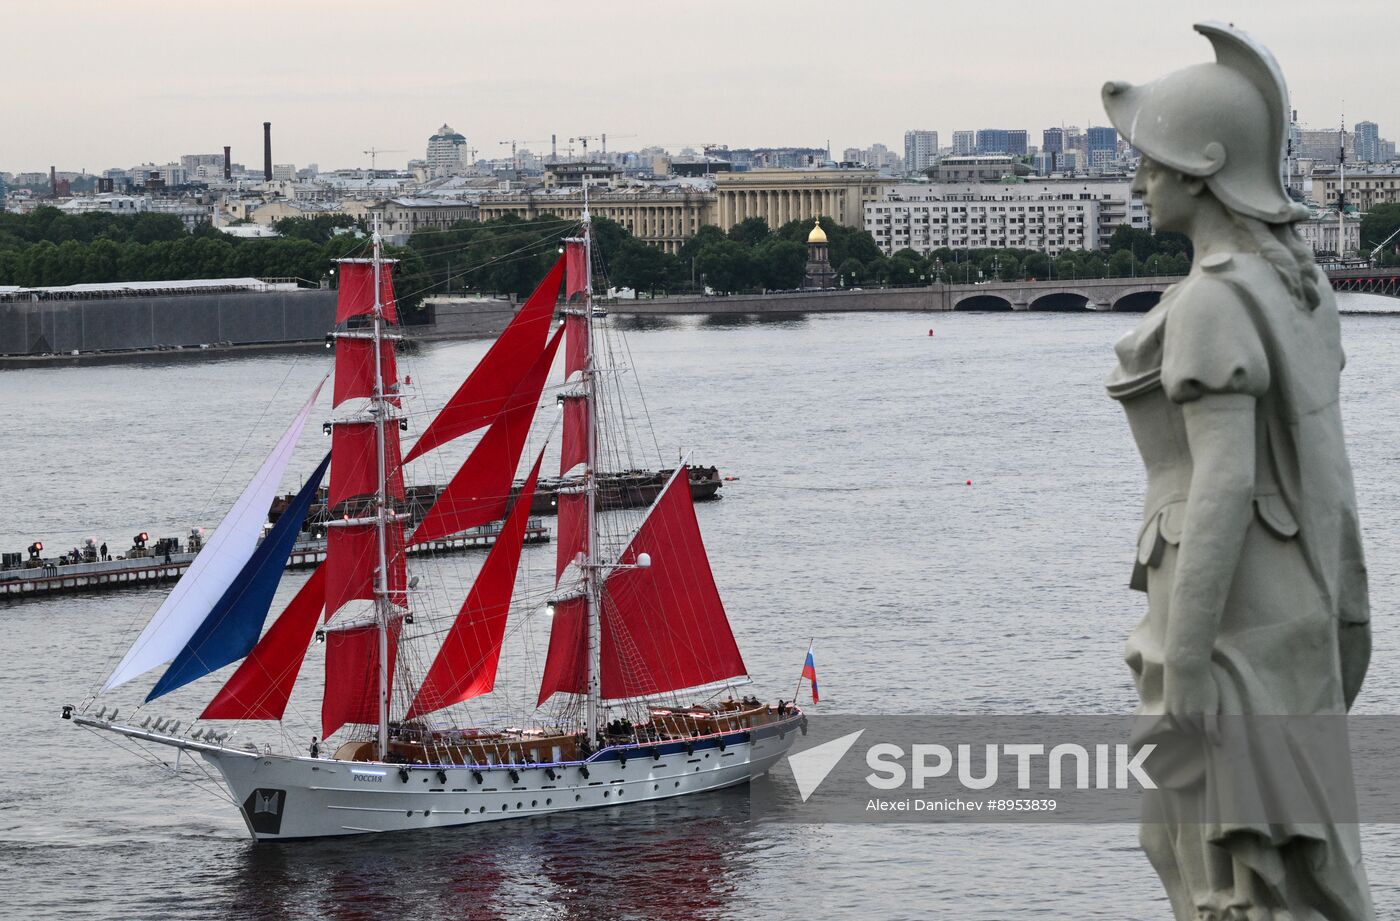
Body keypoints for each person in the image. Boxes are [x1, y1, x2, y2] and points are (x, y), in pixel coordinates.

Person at [1103, 23, 1372, 919]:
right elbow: (1321, 467)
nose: (1137, 182)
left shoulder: (1215, 301)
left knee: (1206, 859)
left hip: (1220, 615)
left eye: (1150, 162)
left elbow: (1219, 486)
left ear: (1201, 166)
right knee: (1264, 856)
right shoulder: (1296, 285)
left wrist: (1185, 670)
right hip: (1285, 593)